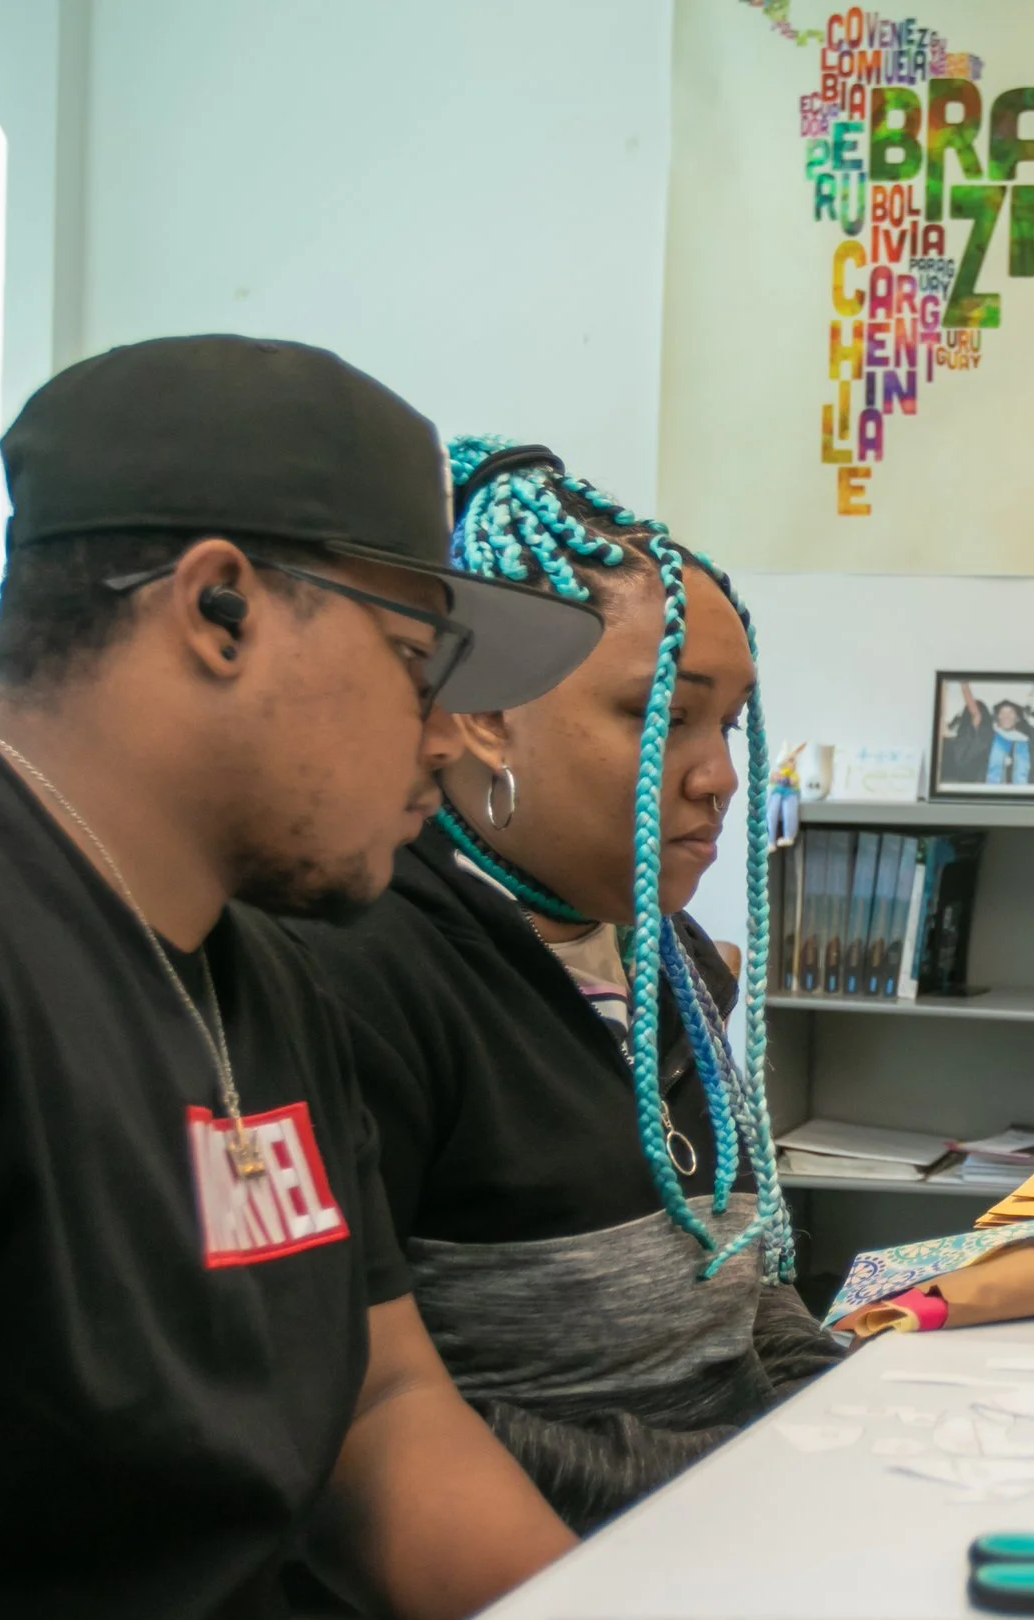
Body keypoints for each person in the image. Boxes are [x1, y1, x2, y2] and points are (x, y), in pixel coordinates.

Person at [0, 337, 597, 1620]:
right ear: (220, 609)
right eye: (419, 657)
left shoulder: (258, 953)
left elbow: (382, 1409)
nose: (443, 732)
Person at [291, 439, 839, 1532]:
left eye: (728, 723)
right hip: (541, 1581)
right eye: (660, 714)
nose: (719, 773)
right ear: (485, 713)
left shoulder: (662, 950)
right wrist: (764, 1487)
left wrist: (854, 1415)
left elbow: (736, 1301)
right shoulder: (359, 970)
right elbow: (376, 1437)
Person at [941, 683, 993, 785]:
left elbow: (975, 713)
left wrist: (964, 686)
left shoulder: (981, 733)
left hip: (969, 780)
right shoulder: (970, 734)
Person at [986, 699, 1033, 785]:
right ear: (998, 716)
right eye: (1002, 713)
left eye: (1011, 713)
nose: (1006, 716)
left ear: (1017, 718)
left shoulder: (1025, 741)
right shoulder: (989, 739)